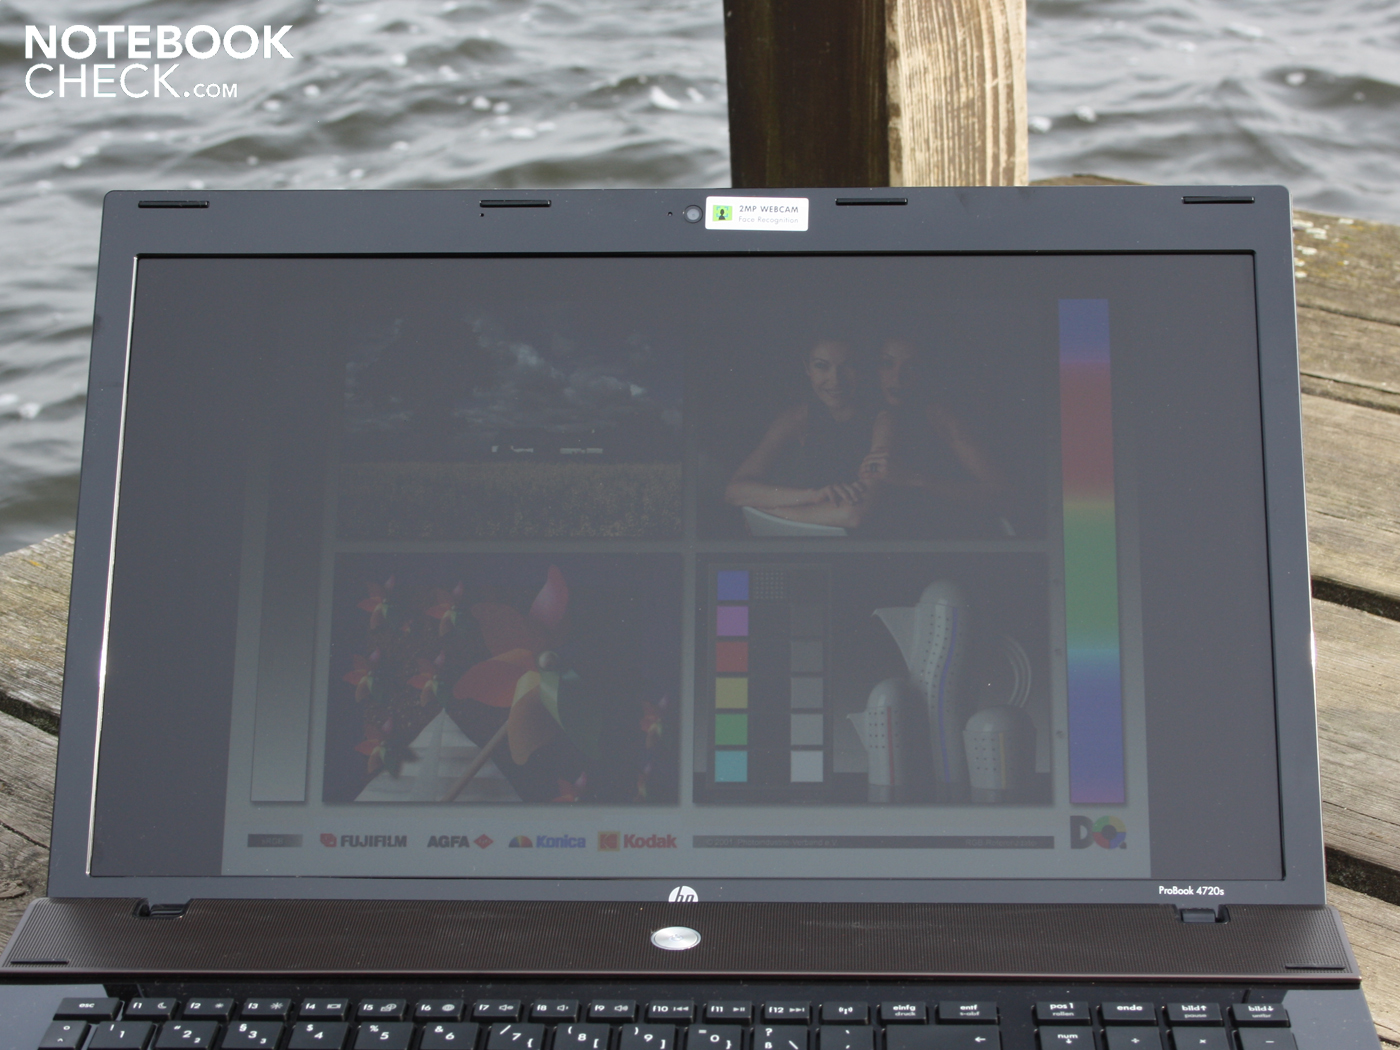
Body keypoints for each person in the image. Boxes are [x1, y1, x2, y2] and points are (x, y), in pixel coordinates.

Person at [724, 339, 878, 530]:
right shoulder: (798, 417)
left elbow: (851, 515)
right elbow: (734, 491)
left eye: (847, 366)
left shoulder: (881, 420)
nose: (835, 380)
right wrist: (812, 496)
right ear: (807, 368)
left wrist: (771, 512)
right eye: (822, 366)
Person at [858, 339, 1007, 537]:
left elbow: (1003, 494)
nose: (898, 377)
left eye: (911, 367)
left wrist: (915, 479)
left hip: (949, 534)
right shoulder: (869, 414)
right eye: (887, 363)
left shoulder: (940, 416)